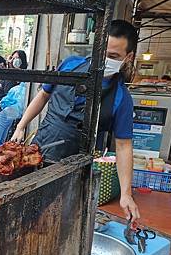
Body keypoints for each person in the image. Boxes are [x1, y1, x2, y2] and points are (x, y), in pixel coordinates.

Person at [11, 19, 140, 220]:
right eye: (102, 52)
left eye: (113, 56)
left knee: (58, 216)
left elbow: (124, 146)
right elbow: (44, 95)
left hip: (75, 168)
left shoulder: (121, 98)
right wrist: (21, 126)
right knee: (24, 208)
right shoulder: (70, 64)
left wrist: (126, 193)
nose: (104, 59)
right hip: (40, 148)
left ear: (128, 57)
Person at [0, 50, 28, 118]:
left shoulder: (14, 80)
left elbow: (10, 99)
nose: (13, 60)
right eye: (12, 58)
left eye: (17, 58)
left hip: (2, 113)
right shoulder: (7, 77)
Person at [0, 82, 27, 146]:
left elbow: (10, 98)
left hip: (3, 112)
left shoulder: (9, 80)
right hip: (3, 113)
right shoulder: (2, 81)